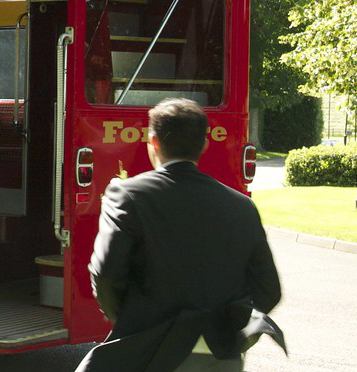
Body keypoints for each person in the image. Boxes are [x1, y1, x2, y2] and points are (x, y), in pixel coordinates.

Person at [77, 98, 283, 372]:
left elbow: (106, 274)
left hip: (151, 351)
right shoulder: (242, 205)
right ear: (204, 145)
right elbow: (269, 290)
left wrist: (133, 321)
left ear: (154, 142)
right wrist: (228, 325)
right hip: (221, 354)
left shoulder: (126, 195)